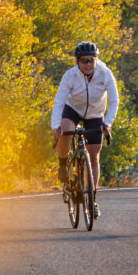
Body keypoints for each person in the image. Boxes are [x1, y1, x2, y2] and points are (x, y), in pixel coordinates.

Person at [51, 41, 119, 220]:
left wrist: (108, 123)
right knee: (65, 131)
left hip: (95, 113)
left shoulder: (105, 74)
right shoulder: (70, 76)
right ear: (77, 62)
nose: (88, 64)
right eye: (84, 61)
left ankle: (93, 199)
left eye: (91, 60)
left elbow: (114, 101)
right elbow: (59, 101)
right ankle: (63, 164)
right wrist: (55, 126)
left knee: (94, 155)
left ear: (96, 59)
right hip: (73, 109)